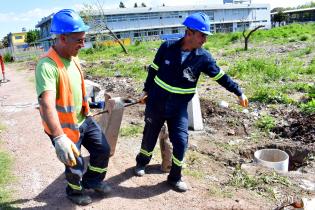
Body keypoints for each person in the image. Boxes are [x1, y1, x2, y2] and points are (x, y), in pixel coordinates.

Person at [134, 12, 248, 192]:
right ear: (189, 33)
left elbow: (221, 77)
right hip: (156, 103)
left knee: (181, 142)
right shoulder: (167, 47)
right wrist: (146, 90)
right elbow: (153, 69)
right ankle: (142, 163)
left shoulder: (204, 58)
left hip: (178, 108)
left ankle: (175, 177)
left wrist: (239, 92)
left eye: (205, 36)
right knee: (149, 136)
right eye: (202, 35)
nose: (205, 39)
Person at [35, 9, 111, 206]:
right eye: (79, 40)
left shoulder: (73, 57)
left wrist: (90, 102)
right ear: (62, 38)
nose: (83, 44)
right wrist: (59, 137)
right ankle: (75, 192)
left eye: (84, 39)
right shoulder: (47, 66)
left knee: (103, 150)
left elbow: (76, 86)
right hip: (64, 128)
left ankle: (92, 181)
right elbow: (46, 104)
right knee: (75, 163)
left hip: (83, 118)